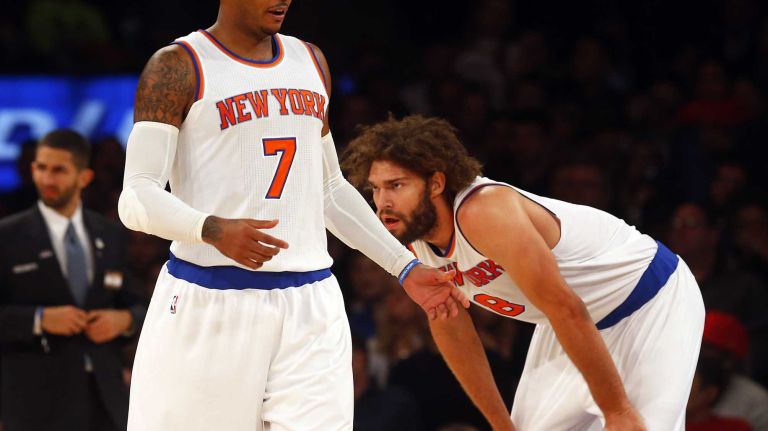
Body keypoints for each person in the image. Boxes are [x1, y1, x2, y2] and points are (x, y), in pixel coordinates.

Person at [117, 1, 466, 429]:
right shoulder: (178, 66)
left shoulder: (310, 60)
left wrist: (404, 267)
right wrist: (209, 229)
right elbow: (136, 195)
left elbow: (329, 189)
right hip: (210, 298)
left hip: (311, 301)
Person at [341, 115, 706, 431]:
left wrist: (618, 410)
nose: (382, 203)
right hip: (570, 323)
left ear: (436, 183)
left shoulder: (484, 212)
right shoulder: (414, 238)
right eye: (376, 189)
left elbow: (566, 307)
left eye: (396, 185)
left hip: (648, 301)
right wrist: (501, 424)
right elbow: (451, 325)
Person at [0, 129, 147, 431]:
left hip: (105, 398)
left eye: (59, 170)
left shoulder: (109, 233)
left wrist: (123, 321)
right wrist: (38, 319)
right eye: (41, 167)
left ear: (84, 177)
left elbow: (141, 306)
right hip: (34, 401)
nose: (47, 179)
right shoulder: (7, 236)